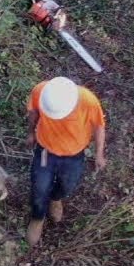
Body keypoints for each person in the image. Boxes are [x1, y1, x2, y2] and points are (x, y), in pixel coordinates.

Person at [24, 77, 106, 248]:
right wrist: (31, 133)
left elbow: (99, 126)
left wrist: (99, 154)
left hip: (74, 154)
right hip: (46, 150)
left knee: (68, 184)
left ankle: (56, 198)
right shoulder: (41, 91)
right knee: (39, 188)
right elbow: (33, 113)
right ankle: (37, 218)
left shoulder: (87, 100)